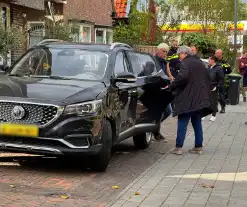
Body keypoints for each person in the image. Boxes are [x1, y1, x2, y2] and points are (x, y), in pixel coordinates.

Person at [167, 46, 212, 155]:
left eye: (179, 55)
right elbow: (207, 78)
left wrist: (172, 85)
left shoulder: (185, 63)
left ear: (183, 53)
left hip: (188, 98)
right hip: (200, 98)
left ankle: (178, 147)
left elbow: (182, 77)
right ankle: (198, 147)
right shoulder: (200, 63)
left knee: (182, 121)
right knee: (196, 122)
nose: (179, 57)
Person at [153, 43, 172, 141]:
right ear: (158, 50)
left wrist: (171, 79)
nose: (165, 53)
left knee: (167, 111)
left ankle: (154, 128)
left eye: (166, 52)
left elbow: (167, 74)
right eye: (163, 51)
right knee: (163, 111)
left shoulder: (164, 62)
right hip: (156, 90)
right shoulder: (153, 60)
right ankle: (155, 131)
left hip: (163, 89)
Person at [208, 55, 224, 122]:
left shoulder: (219, 68)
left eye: (209, 60)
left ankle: (213, 115)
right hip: (207, 86)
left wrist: (217, 86)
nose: (208, 61)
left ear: (213, 60)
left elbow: (221, 79)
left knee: (213, 101)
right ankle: (203, 114)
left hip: (214, 87)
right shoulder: (209, 67)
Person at [215, 49, 232, 113]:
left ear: (220, 54)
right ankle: (215, 107)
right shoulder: (214, 60)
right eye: (215, 53)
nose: (215, 54)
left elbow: (229, 70)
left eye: (217, 53)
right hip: (214, 79)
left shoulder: (224, 61)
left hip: (221, 80)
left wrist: (224, 71)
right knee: (214, 94)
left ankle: (223, 107)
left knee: (221, 95)